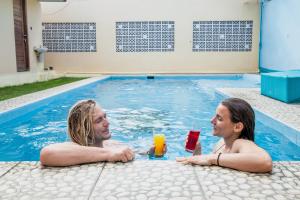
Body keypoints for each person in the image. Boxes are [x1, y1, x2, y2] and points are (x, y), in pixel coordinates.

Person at [177, 98, 273, 173]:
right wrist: (197, 151)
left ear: (238, 127)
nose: (212, 121)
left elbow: (265, 162)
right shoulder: (221, 143)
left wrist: (211, 158)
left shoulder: (240, 143)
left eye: (219, 118)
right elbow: (208, 163)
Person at [40, 99, 135, 166]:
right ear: (81, 129)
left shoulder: (111, 144)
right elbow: (47, 154)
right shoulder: (73, 147)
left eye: (105, 117)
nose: (107, 123)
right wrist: (108, 154)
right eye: (99, 120)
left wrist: (149, 152)